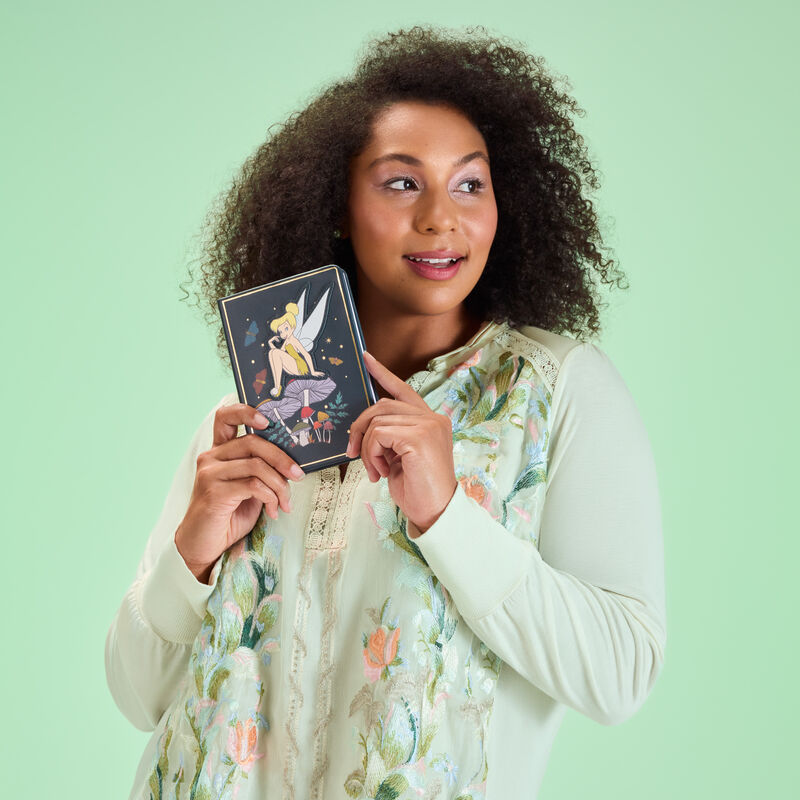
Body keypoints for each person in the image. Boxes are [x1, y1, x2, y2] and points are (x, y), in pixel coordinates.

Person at [105, 25, 666, 800]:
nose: (442, 217)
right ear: (337, 205)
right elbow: (138, 696)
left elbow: (622, 674)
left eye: (470, 184)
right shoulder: (253, 409)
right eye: (402, 183)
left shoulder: (557, 390)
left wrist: (448, 518)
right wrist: (192, 554)